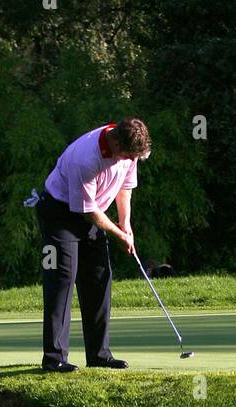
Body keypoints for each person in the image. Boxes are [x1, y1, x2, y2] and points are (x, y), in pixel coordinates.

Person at [36, 117, 151, 373]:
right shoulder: (86, 159)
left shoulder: (128, 153)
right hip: (59, 213)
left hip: (92, 212)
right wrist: (119, 236)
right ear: (116, 142)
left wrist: (126, 223)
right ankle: (54, 358)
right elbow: (88, 211)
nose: (128, 161)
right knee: (62, 277)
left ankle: (99, 356)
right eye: (127, 155)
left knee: (99, 277)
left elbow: (124, 187)